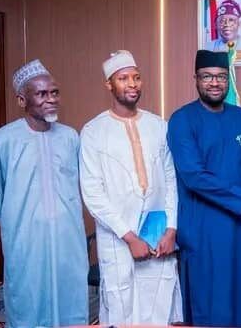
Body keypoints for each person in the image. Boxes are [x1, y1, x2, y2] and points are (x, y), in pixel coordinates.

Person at [167, 50, 241, 327]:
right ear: (196, 79)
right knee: (211, 301)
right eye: (207, 77)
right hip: (205, 226)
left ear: (227, 79)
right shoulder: (182, 120)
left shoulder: (240, 116)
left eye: (220, 77)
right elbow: (194, 176)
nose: (214, 83)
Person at [0, 59, 88, 327]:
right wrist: (16, 219)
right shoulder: (3, 141)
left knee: (70, 300)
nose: (51, 99)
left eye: (54, 92)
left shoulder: (70, 137)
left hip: (67, 238)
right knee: (28, 302)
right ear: (22, 100)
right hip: (26, 240)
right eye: (41, 94)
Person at [79, 50, 182, 324]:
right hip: (117, 236)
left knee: (158, 302)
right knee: (121, 304)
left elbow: (171, 180)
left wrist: (171, 229)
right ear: (109, 85)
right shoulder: (93, 131)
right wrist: (130, 237)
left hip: (157, 234)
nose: (132, 84)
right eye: (123, 78)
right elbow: (92, 193)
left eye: (136, 77)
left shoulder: (159, 126)